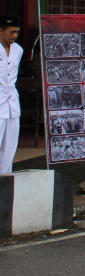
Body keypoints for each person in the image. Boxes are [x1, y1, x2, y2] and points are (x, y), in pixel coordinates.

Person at [0, 16, 23, 173]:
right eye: (11, 32)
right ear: (1, 31)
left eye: (17, 32)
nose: (14, 36)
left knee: (10, 144)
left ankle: (5, 178)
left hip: (12, 102)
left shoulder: (18, 50)